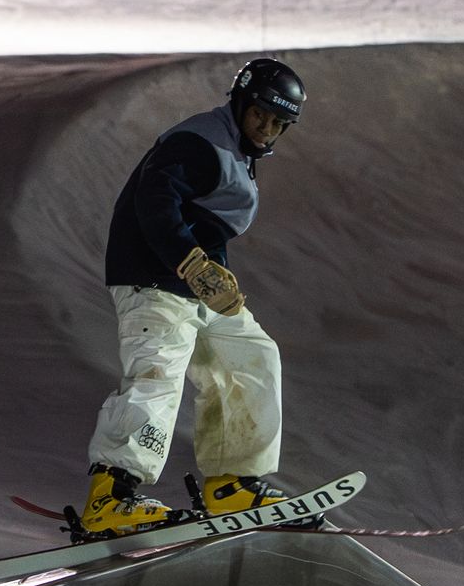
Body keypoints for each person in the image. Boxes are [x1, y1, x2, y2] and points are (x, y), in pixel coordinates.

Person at [80, 59, 307, 535]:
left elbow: (202, 220)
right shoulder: (201, 142)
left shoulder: (234, 151)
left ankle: (231, 486)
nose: (266, 129)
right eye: (260, 115)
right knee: (157, 372)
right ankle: (110, 497)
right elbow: (154, 198)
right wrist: (190, 263)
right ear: (240, 103)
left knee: (252, 357)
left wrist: (213, 277)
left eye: (277, 123)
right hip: (153, 278)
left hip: (190, 285)